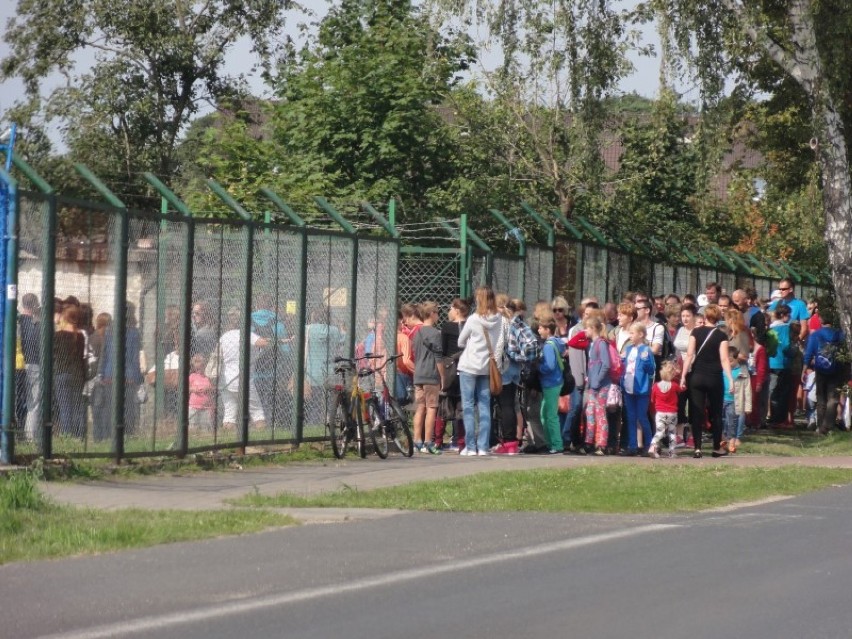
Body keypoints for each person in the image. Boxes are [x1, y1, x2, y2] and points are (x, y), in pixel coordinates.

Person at [680, 304, 733, 458]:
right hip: (715, 377)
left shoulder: (695, 332)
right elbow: (724, 359)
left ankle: (697, 448)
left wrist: (683, 375)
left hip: (697, 376)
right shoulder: (721, 335)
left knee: (696, 412)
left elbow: (689, 355)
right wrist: (729, 378)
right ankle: (717, 447)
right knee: (716, 413)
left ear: (705, 317)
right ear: (718, 318)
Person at [457, 286, 504, 456]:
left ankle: (470, 446)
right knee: (484, 406)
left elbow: (460, 342)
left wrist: (472, 341)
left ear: (480, 299)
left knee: (468, 406)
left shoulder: (473, 319)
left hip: (469, 365)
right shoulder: (499, 319)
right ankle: (483, 446)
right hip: (486, 367)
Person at [218, 307, 270, 432]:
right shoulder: (247, 334)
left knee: (229, 415)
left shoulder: (224, 337)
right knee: (257, 412)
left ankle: (227, 439)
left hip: (225, 380)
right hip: (242, 379)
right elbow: (263, 343)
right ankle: (262, 437)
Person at [803, 305, 847, 434]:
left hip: (821, 369)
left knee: (821, 399)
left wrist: (804, 368)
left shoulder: (816, 335)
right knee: (833, 399)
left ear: (821, 320)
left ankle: (821, 426)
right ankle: (829, 425)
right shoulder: (840, 335)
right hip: (836, 369)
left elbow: (809, 353)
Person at [412, 301, 443, 455]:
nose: (438, 315)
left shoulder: (416, 333)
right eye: (437, 312)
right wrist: (443, 377)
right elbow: (438, 358)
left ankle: (416, 440)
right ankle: (428, 442)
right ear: (431, 314)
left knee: (420, 408)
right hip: (431, 375)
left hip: (418, 375)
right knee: (431, 408)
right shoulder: (435, 334)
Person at [438, 298, 469, 452]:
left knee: (445, 403)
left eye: (450, 308)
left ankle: (437, 440)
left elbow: (443, 349)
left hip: (450, 368)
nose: (448, 311)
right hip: (466, 368)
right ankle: (461, 441)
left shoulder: (447, 327)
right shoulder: (470, 326)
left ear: (457, 310)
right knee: (462, 405)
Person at [621, 322, 655, 455]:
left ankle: (649, 444)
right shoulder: (629, 349)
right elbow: (624, 366)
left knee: (642, 416)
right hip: (628, 387)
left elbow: (651, 370)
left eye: (632, 333)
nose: (630, 336)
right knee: (630, 417)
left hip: (641, 389)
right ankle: (632, 445)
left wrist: (646, 361)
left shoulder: (646, 350)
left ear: (640, 334)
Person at [53, 304, 86, 438]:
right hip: (77, 373)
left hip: (61, 373)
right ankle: (79, 436)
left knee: (65, 408)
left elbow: (53, 353)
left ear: (65, 317)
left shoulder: (58, 335)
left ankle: (67, 436)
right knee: (77, 406)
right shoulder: (80, 336)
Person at [582, 315, 612, 456]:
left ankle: (601, 443)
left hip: (601, 385)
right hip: (592, 385)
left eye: (587, 327)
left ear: (593, 328)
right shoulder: (592, 343)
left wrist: (597, 380)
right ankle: (589, 441)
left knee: (600, 414)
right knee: (589, 413)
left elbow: (606, 364)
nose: (584, 331)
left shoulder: (601, 343)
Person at [538, 317, 566, 454]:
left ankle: (556, 444)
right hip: (554, 382)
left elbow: (549, 365)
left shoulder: (548, 345)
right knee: (544, 413)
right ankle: (550, 443)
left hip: (551, 382)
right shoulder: (556, 342)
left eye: (540, 328)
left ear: (547, 330)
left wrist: (539, 367)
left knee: (550, 415)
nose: (538, 330)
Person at [19, 293, 41, 442]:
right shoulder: (37, 324)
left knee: (18, 399)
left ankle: (17, 432)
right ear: (34, 305)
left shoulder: (17, 321)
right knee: (34, 401)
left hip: (17, 365)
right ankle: (30, 436)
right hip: (34, 364)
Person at [766, 304, 794, 427]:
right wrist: (794, 353)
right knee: (782, 392)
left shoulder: (770, 328)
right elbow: (787, 347)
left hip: (771, 362)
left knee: (772, 391)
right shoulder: (785, 328)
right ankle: (780, 419)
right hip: (783, 363)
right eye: (789, 315)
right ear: (783, 315)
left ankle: (772, 416)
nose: (790, 317)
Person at [649, 361, 683, 458]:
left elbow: (652, 399)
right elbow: (682, 389)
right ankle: (672, 452)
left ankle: (652, 445)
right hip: (672, 413)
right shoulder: (674, 386)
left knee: (659, 431)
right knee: (672, 432)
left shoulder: (655, 386)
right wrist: (680, 377)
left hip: (660, 413)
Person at [723, 346, 752, 453]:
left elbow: (747, 390)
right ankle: (724, 439)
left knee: (733, 422)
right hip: (722, 399)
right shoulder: (722, 370)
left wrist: (748, 406)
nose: (728, 364)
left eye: (730, 361)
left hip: (734, 401)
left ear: (736, 359)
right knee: (723, 421)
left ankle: (733, 440)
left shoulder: (742, 371)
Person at [768, 279, 810, 344]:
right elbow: (767, 319)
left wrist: (796, 342)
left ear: (791, 289)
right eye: (780, 289)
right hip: (776, 343)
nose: (780, 291)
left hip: (792, 342)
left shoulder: (800, 305)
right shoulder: (776, 304)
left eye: (783, 289)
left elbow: (804, 328)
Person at [188, 352, 214, 431]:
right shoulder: (192, 376)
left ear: (204, 365)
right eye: (197, 366)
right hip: (194, 406)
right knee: (193, 426)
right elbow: (187, 387)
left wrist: (208, 388)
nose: (199, 368)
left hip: (206, 407)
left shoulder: (208, 377)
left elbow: (213, 389)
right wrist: (193, 389)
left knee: (205, 428)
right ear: (194, 367)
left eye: (201, 365)